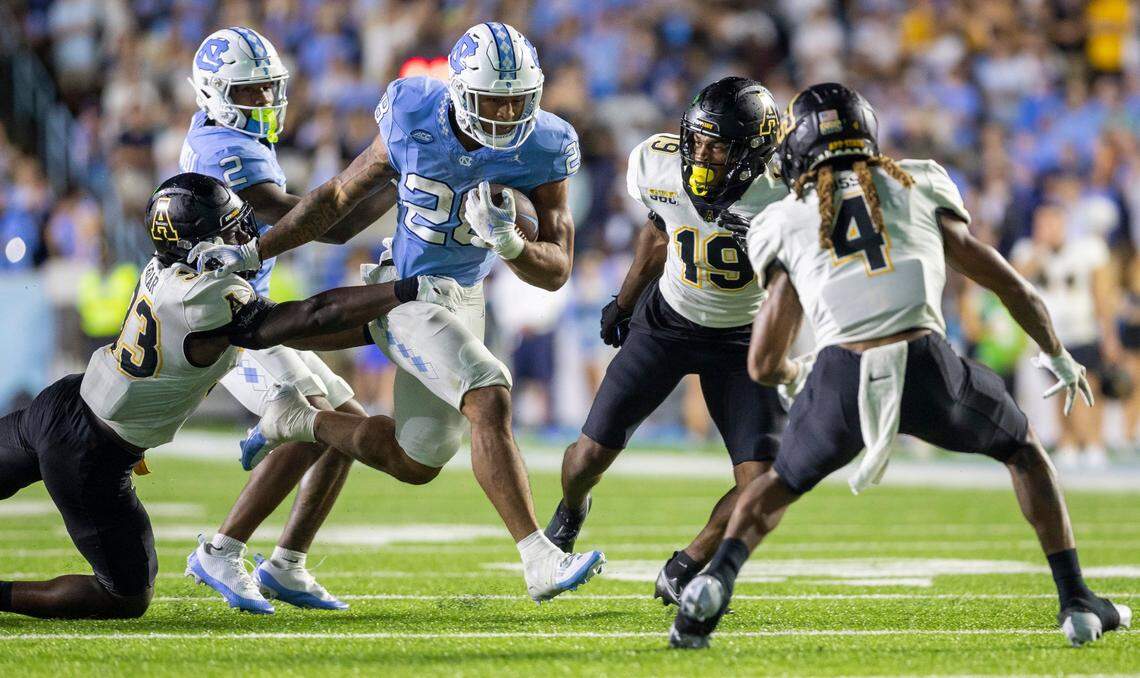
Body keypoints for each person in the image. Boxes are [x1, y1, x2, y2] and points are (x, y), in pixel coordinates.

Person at [669, 83, 1131, 649]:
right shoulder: (918, 182)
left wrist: (796, 376)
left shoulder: (784, 217)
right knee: (1024, 451)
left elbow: (763, 362)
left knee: (778, 484)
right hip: (928, 365)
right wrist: (1056, 352)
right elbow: (1011, 285)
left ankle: (712, 583)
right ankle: (1076, 598)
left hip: (841, 373)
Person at [188, 22, 605, 602]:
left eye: (519, 100)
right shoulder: (413, 110)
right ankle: (539, 558)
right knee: (489, 392)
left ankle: (295, 434)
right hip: (408, 290)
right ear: (460, 91)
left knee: (417, 461)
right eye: (493, 99)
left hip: (464, 297)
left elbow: (556, 270)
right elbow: (338, 196)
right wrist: (257, 249)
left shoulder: (548, 143)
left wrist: (511, 245)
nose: (508, 113)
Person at [0, 173, 457, 620]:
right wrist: (401, 292)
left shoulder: (163, 267)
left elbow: (302, 328)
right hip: (90, 453)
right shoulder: (205, 297)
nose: (245, 238)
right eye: (231, 230)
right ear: (198, 244)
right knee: (123, 597)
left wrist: (378, 323)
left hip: (63, 403)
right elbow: (313, 317)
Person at [542, 77, 787, 605]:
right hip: (668, 322)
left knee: (763, 482)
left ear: (753, 151)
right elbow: (658, 230)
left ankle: (687, 564)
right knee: (587, 457)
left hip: (743, 338)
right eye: (696, 139)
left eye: (717, 145)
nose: (700, 153)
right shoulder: (658, 163)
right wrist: (624, 302)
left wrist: (767, 242)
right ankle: (572, 507)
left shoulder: (785, 193)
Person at [180, 27, 399, 613]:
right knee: (316, 423)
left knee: (347, 426)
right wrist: (397, 176)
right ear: (214, 93)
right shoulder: (225, 151)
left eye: (267, 88)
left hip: (250, 312)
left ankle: (286, 564)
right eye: (248, 92)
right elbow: (325, 226)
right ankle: (221, 549)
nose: (263, 101)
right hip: (224, 324)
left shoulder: (223, 133)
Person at [1011, 202, 1119, 469]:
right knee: (1061, 389)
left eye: (1051, 222)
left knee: (1087, 387)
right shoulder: (1027, 250)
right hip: (1048, 335)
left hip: (1083, 330)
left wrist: (1108, 334)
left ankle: (1093, 443)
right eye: (1041, 223)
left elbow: (1101, 293)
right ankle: (1067, 442)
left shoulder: (1088, 249)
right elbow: (1013, 281)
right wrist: (1040, 250)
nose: (1046, 228)